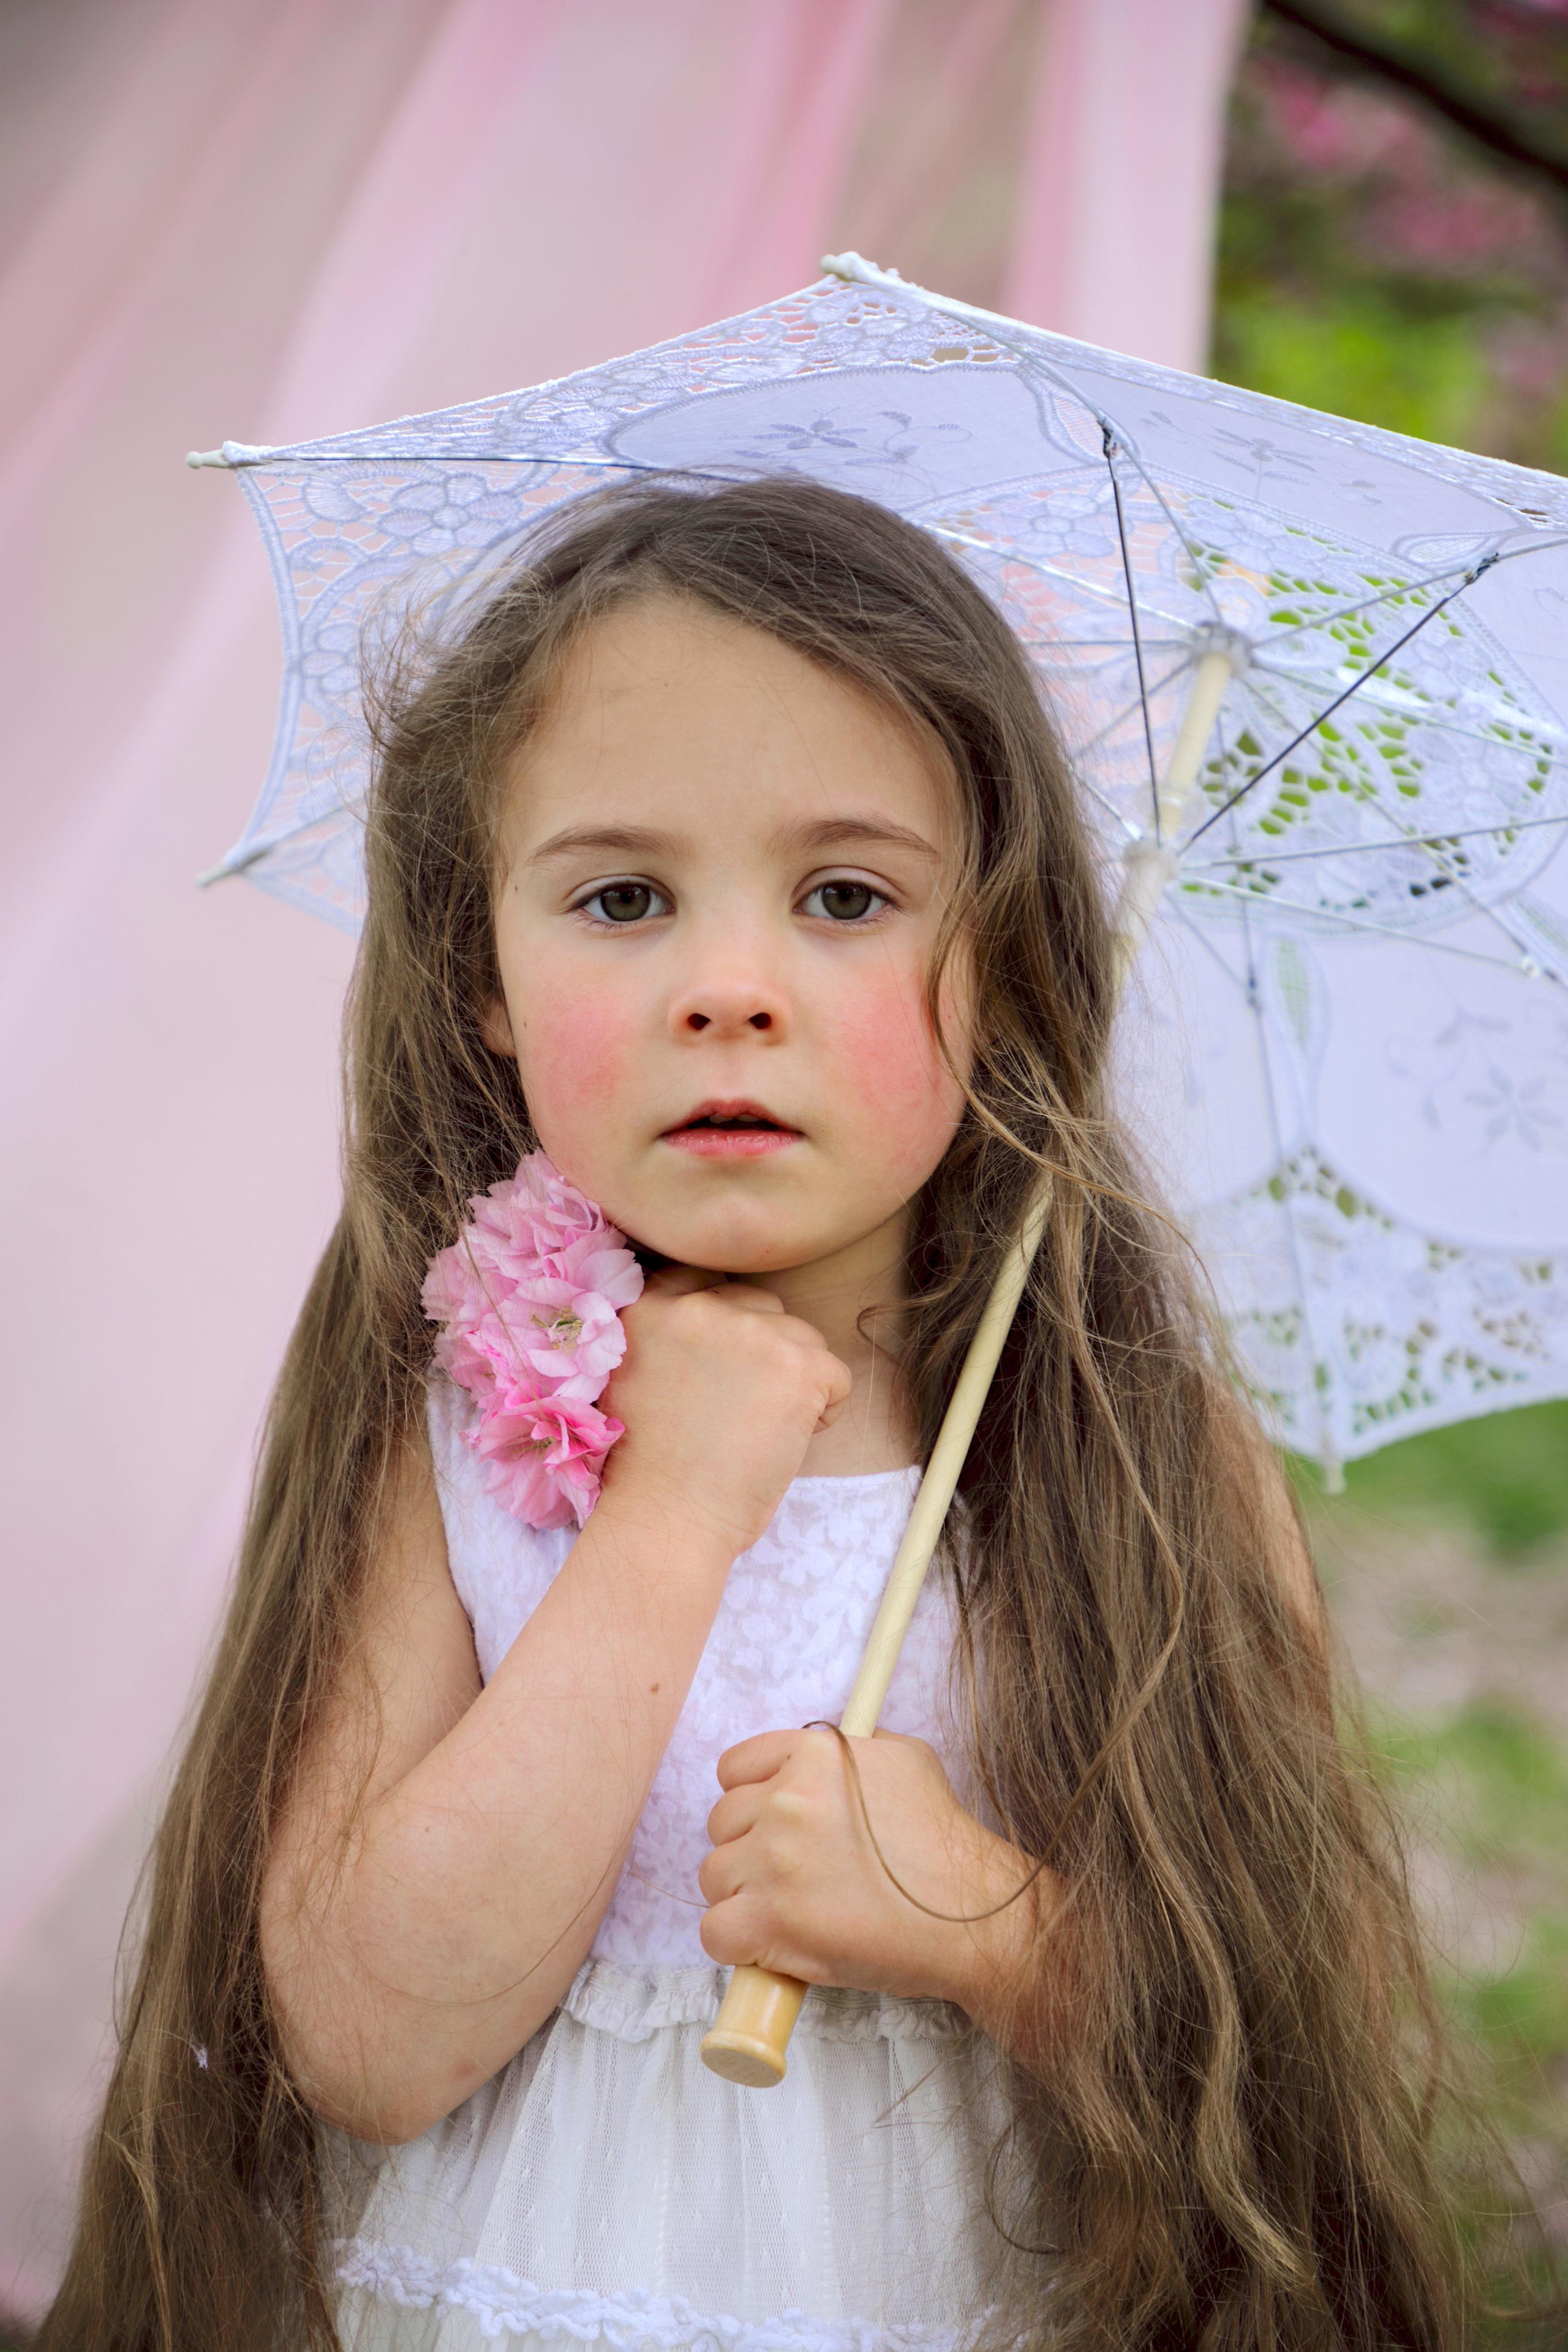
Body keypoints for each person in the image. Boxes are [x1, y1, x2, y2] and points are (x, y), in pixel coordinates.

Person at [43, 477, 1481, 2352]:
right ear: (482, 973)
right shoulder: (459, 1439)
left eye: (848, 897)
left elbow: (1313, 2033)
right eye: (623, 897)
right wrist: (666, 1520)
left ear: (1015, 964)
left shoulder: (1136, 1458)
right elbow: (371, 2042)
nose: (731, 991)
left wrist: (986, 1923)